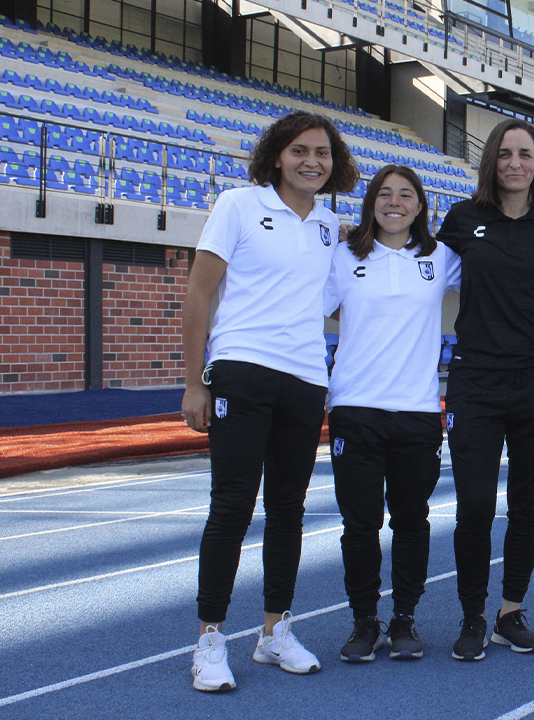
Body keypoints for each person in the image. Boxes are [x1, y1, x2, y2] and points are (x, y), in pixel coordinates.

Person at [182, 111, 358, 691]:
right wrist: (194, 381)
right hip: (243, 371)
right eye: (301, 150)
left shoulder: (332, 226)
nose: (312, 161)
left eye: (323, 154)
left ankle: (274, 631)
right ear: (277, 155)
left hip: (305, 378)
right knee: (232, 505)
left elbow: (341, 299)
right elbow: (199, 294)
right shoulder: (237, 205)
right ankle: (210, 638)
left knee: (288, 509)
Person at [434, 118, 534, 661]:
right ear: (491, 161)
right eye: (504, 153)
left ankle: (510, 611)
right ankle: (472, 614)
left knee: (528, 504)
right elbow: (420, 266)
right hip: (476, 380)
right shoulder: (462, 219)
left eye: (525, 153)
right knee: (473, 504)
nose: (515, 162)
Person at [322, 165, 461, 662]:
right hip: (355, 408)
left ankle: (404, 619)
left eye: (406, 194)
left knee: (411, 519)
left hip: (417, 412)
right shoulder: (342, 254)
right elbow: (319, 303)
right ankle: (363, 621)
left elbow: (501, 273)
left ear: (421, 206)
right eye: (385, 194)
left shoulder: (441, 257)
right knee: (359, 524)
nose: (395, 202)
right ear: (370, 203)